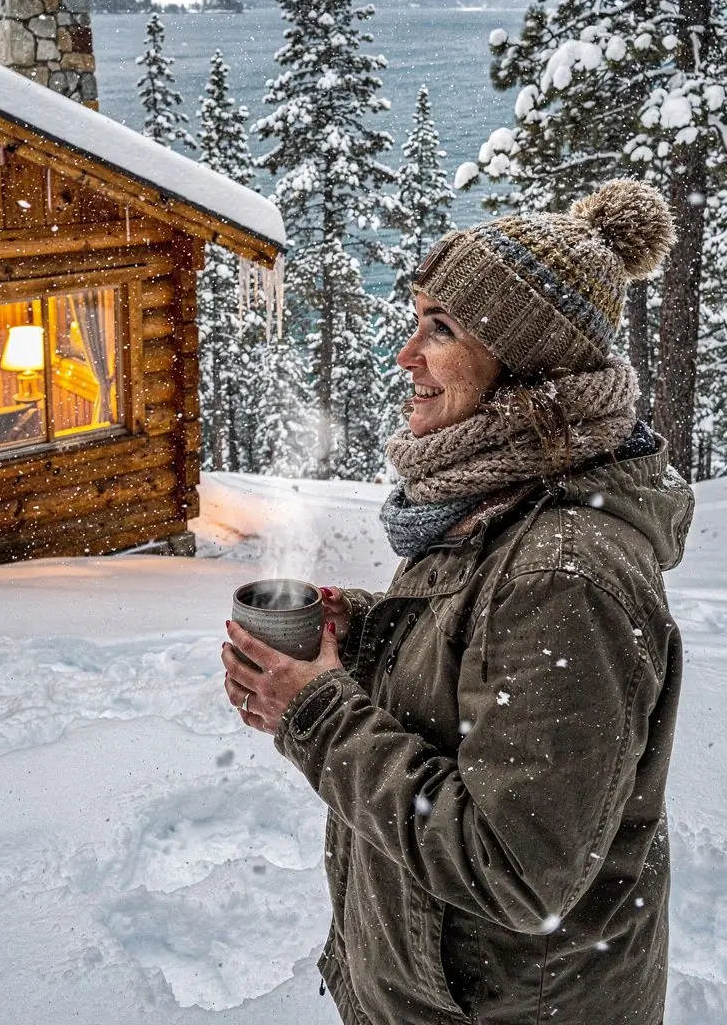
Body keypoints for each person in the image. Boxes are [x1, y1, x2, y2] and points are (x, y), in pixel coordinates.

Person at [223, 179, 693, 1025]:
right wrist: (364, 634)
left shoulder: (564, 570)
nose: (406, 356)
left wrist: (317, 713)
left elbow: (517, 870)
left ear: (525, 363)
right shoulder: (498, 501)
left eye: (440, 329)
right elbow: (478, 664)